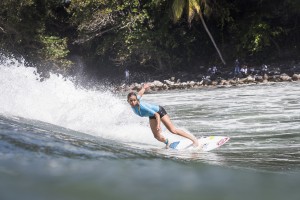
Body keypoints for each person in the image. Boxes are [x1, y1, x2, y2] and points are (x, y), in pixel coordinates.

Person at [127, 83, 199, 148]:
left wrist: (158, 125)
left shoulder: (141, 106)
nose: (133, 102)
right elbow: (140, 94)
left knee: (173, 130)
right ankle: (168, 142)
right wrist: (144, 88)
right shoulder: (136, 102)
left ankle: (194, 140)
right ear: (128, 101)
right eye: (131, 101)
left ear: (136, 100)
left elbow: (156, 114)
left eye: (134, 100)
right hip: (152, 115)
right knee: (156, 136)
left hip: (159, 111)